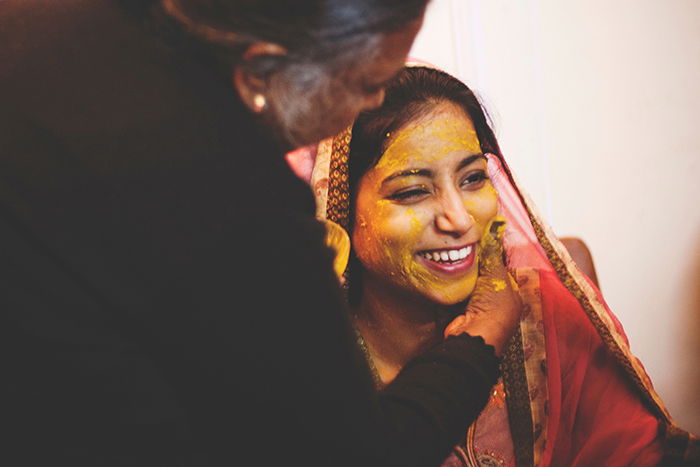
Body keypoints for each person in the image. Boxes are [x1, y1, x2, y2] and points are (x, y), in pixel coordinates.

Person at [0, 2, 523, 466]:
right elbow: (352, 455)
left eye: (474, 177)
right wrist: (479, 342)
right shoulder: (223, 188)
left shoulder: (50, 23)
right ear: (263, 69)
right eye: (367, 87)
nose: (374, 104)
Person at [310, 65, 700, 466]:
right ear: (339, 207)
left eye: (473, 178)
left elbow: (634, 452)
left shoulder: (539, 314)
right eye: (412, 191)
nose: (460, 219)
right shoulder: (300, 356)